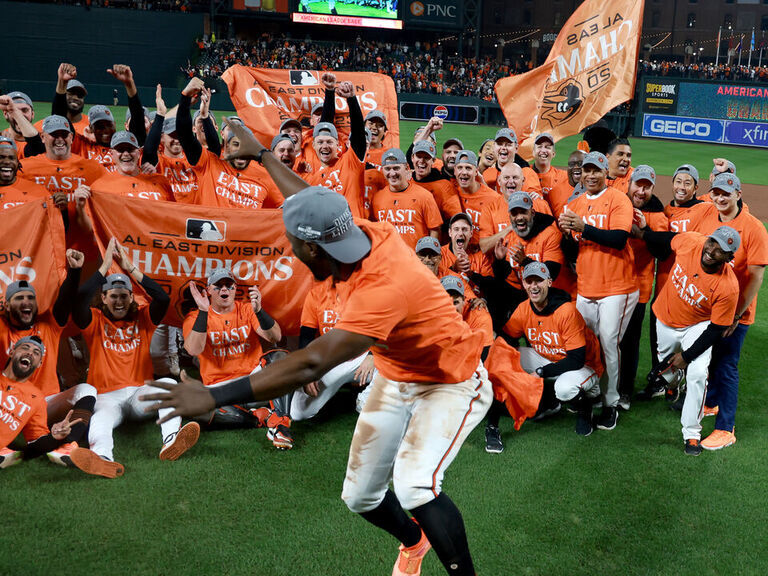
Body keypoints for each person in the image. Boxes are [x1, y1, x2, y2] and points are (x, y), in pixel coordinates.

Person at [143, 120, 492, 576]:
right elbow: (310, 202)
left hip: (451, 379)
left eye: (292, 241)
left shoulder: (381, 287)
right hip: (398, 372)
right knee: (360, 496)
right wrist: (264, 154)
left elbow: (310, 362)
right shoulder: (355, 233)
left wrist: (211, 396)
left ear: (309, 250)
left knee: (414, 488)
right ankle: (414, 542)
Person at [73, 238, 199, 467]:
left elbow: (162, 298)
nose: (119, 301)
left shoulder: (143, 317)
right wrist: (105, 266)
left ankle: (170, 440)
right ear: (103, 298)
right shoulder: (94, 319)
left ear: (132, 297)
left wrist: (130, 268)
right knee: (100, 418)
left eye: (124, 295)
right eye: (113, 295)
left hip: (140, 393)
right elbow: (79, 300)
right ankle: (102, 457)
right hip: (107, 396)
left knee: (169, 384)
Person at [641, 226, 740, 455]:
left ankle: (691, 434)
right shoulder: (692, 242)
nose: (712, 250)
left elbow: (715, 330)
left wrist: (686, 357)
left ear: (729, 258)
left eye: (721, 250)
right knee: (667, 372)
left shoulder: (728, 287)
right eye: (712, 242)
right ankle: (673, 384)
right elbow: (668, 239)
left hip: (698, 326)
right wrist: (643, 233)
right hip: (665, 318)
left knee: (696, 374)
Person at [559, 151, 639, 431]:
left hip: (618, 286)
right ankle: (591, 393)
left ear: (606, 173)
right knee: (586, 345)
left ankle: (611, 402)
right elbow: (571, 251)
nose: (591, 175)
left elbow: (619, 239)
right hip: (587, 286)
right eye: (586, 170)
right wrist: (567, 235)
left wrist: (584, 227)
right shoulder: (576, 203)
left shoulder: (619, 200)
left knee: (608, 343)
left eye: (596, 170)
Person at [694, 173, 768, 450]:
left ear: (738, 193)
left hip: (736, 312)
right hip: (709, 306)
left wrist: (736, 315)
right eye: (716, 192)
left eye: (726, 193)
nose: (721, 198)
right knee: (712, 359)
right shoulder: (708, 218)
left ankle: (726, 428)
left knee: (726, 366)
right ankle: (711, 403)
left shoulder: (754, 228)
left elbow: (756, 276)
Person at [493, 262, 603, 445]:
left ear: (549, 283)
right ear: (524, 284)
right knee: (503, 355)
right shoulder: (524, 308)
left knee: (564, 388)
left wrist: (541, 372)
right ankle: (546, 402)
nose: (534, 286)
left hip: (584, 365)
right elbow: (506, 339)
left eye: (539, 281)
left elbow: (576, 359)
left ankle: (585, 407)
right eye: (529, 281)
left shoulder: (566, 310)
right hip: (550, 357)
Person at [181, 268, 290, 449]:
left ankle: (280, 422)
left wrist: (260, 311)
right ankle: (256, 418)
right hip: (221, 390)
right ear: (208, 290)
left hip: (253, 383)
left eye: (229, 285)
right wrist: (202, 311)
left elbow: (275, 337)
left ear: (235, 289)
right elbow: (193, 349)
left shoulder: (247, 309)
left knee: (280, 357)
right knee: (188, 403)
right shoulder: (195, 317)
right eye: (218, 286)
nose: (224, 289)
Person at [0, 337, 122, 478]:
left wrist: (55, 437)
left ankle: (68, 446)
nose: (30, 353)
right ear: (12, 352)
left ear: (39, 364)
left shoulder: (36, 399)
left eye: (36, 352)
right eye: (25, 348)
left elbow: (36, 444)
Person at [175, 77, 282, 210]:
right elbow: (184, 134)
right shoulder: (210, 162)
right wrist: (185, 98)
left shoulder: (265, 175)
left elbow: (281, 210)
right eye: (236, 144)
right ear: (226, 146)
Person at [290, 278, 377, 420]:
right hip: (332, 360)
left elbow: (386, 329)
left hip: (362, 359)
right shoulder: (316, 295)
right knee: (299, 413)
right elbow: (306, 337)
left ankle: (366, 400)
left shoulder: (366, 292)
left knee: (397, 360)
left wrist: (372, 354)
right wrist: (308, 371)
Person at [619, 165, 668, 410]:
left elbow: (662, 251)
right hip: (609, 285)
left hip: (638, 288)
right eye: (638, 184)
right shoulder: (618, 202)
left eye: (647, 187)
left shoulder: (657, 215)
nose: (641, 190)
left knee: (629, 341)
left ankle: (625, 391)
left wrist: (645, 232)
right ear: (629, 184)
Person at [371, 148, 442, 249]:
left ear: (406, 168)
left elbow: (435, 230)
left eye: (396, 168)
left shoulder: (424, 196)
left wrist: (427, 256)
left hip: (415, 261)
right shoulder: (377, 198)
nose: (392, 173)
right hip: (388, 259)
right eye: (387, 169)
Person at [89, 131, 174, 202]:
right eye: (120, 150)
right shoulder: (99, 187)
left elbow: (173, 213)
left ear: (139, 152)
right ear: (112, 154)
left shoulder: (160, 181)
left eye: (130, 149)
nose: (126, 154)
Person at [452, 150, 509, 252]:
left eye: (468, 168)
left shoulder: (493, 198)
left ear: (476, 171)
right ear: (455, 171)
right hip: (459, 254)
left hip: (485, 258)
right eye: (460, 168)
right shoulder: (451, 192)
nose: (464, 172)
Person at [530, 133, 572, 217]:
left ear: (553, 154)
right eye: (539, 147)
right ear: (533, 152)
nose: (543, 150)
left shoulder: (564, 177)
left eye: (547, 147)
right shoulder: (524, 173)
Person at [0, 137, 48, 210]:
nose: (7, 162)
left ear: (18, 163)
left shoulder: (39, 192)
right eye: (1, 157)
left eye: (11, 158)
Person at [52, 63, 89, 136]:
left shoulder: (92, 127)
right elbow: (58, 115)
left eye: (80, 95)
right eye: (71, 93)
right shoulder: (46, 125)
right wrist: (62, 82)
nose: (75, 98)